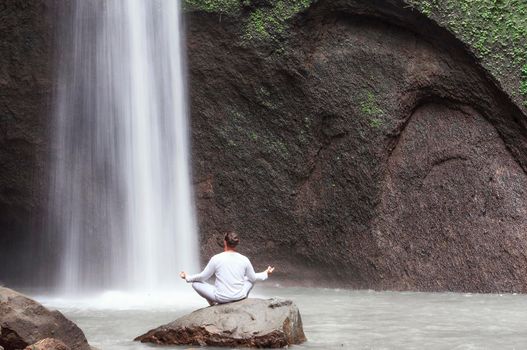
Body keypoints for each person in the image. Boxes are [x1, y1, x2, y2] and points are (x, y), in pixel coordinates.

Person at [180, 232, 275, 305]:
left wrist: (188, 277)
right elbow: (253, 278)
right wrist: (265, 273)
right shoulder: (244, 259)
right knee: (249, 280)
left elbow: (203, 277)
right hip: (239, 296)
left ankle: (213, 303)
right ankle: (241, 301)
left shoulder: (216, 258)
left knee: (195, 283)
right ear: (237, 243)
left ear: (225, 242)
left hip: (221, 298)